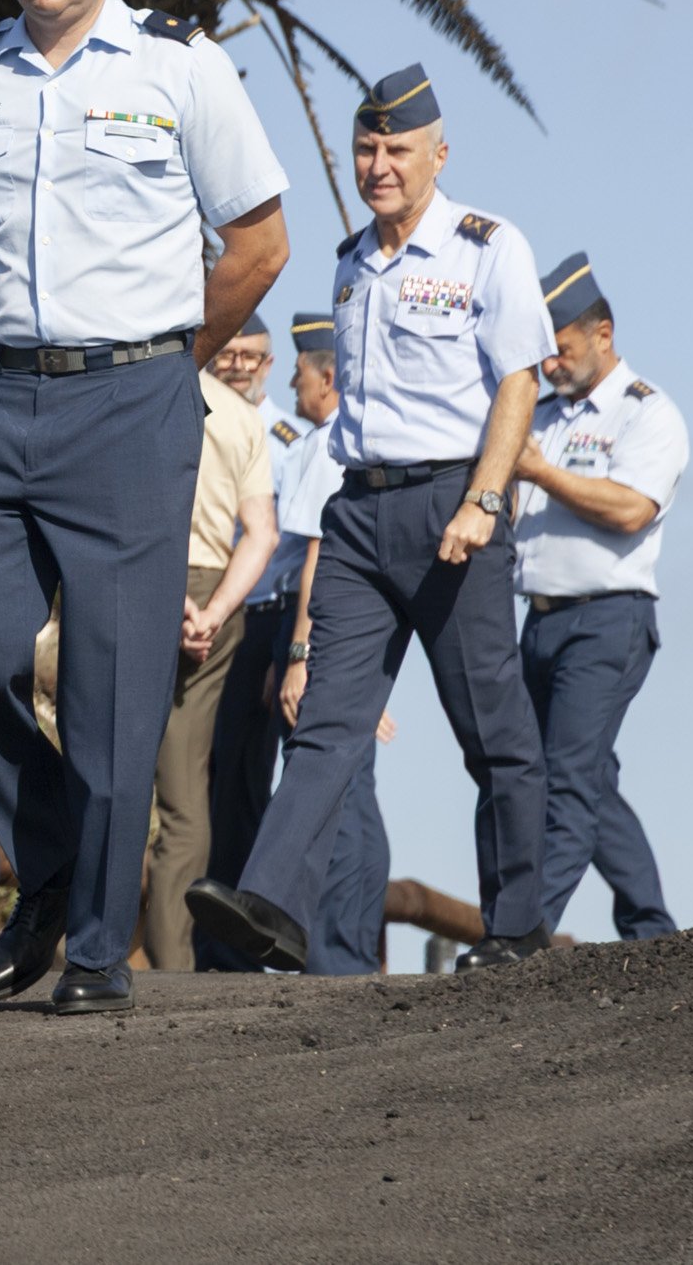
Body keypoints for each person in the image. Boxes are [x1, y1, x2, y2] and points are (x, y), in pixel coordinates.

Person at [0, 0, 290, 1015]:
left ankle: (91, 949)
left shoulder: (180, 65)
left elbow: (259, 243)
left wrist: (168, 360)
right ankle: (58, 859)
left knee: (114, 687)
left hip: (132, 398)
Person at [191, 65, 554, 973]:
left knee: (491, 730)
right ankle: (272, 904)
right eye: (365, 148)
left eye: (397, 148)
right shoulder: (353, 260)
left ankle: (515, 927)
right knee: (326, 721)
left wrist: (484, 498)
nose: (378, 165)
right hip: (358, 512)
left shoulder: (487, 247)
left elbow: (518, 381)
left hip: (451, 508)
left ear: (439, 153)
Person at [514, 253, 687, 939]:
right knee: (577, 777)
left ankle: (524, 936)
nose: (550, 364)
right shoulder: (541, 416)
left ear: (603, 334)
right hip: (538, 621)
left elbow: (631, 509)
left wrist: (540, 471)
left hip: (607, 621)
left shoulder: (647, 413)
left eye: (560, 348)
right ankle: (652, 929)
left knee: (563, 782)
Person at [138, 357, 277, 969]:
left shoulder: (137, 391)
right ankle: (172, 964)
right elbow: (263, 533)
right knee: (185, 797)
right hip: (217, 590)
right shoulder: (243, 416)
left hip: (142, 580)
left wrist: (170, 601)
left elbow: (132, 508)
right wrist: (213, 613)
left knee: (107, 772)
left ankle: (84, 948)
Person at [200, 313, 325, 969]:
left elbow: (305, 546)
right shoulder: (193, 422)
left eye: (251, 357)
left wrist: (294, 648)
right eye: (228, 355)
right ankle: (204, 942)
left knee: (248, 778)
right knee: (200, 778)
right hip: (200, 613)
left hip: (262, 621)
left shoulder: (291, 442)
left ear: (270, 366)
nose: (238, 366)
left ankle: (236, 945)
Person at [270, 323, 394, 974]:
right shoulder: (340, 438)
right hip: (335, 630)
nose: (292, 383)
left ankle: (336, 953)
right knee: (353, 794)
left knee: (335, 794)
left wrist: (300, 656)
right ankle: (346, 949)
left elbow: (319, 554)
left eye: (299, 372)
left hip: (319, 630)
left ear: (328, 377)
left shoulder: (329, 444)